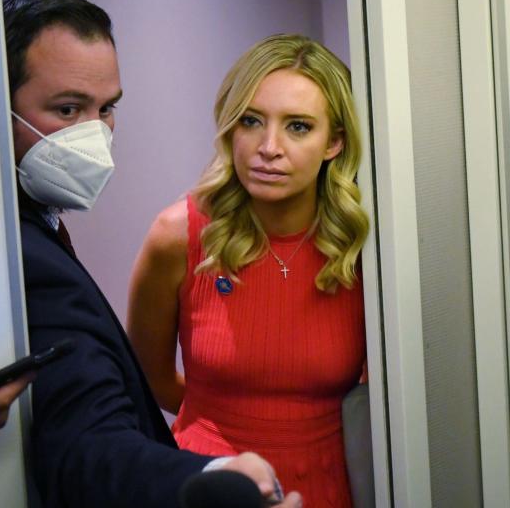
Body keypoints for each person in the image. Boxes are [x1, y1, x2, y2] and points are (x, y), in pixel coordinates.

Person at [3, 0, 301, 508]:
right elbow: (88, 439)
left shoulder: (35, 227)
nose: (95, 135)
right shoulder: (21, 258)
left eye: (106, 109)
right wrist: (209, 474)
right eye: (68, 110)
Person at [127, 34, 369, 507]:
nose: (269, 147)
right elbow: (147, 379)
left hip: (331, 486)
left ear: (334, 143)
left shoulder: (363, 249)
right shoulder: (177, 235)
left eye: (298, 127)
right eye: (252, 121)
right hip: (212, 486)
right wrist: (220, 433)